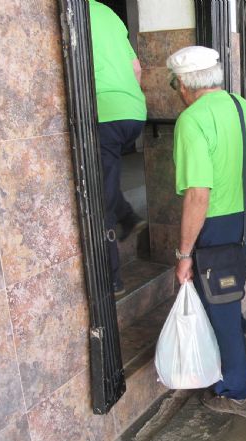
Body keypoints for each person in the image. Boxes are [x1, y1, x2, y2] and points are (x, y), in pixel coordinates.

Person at [167, 46, 246, 418]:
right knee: (228, 287)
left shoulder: (191, 120)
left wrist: (183, 256)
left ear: (182, 84)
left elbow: (198, 195)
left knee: (218, 301)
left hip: (224, 222)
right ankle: (237, 329)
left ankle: (235, 391)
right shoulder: (239, 103)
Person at [89, 0, 148, 297]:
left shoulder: (73, 11)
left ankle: (112, 279)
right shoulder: (107, 12)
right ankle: (128, 215)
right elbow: (136, 68)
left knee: (101, 196)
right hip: (134, 112)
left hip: (105, 112)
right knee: (107, 179)